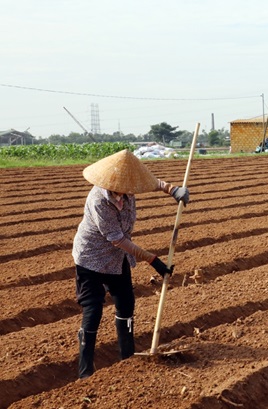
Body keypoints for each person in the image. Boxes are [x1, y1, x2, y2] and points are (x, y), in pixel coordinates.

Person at [73, 149, 190, 378]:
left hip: (117, 259)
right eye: (127, 186)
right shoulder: (99, 200)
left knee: (126, 305)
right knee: (93, 310)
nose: (132, 190)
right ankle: (85, 370)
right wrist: (152, 260)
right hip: (91, 259)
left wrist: (172, 189)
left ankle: (127, 357)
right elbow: (117, 239)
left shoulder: (128, 189)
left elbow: (152, 182)